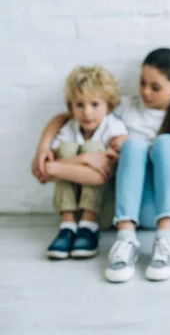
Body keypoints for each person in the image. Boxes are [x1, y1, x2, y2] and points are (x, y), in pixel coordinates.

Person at [32, 48, 170, 283]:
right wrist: (43, 148)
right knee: (132, 146)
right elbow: (67, 117)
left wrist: (148, 148)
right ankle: (126, 238)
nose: (145, 92)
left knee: (162, 144)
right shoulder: (126, 107)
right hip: (139, 206)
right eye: (142, 83)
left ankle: (166, 239)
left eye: (155, 88)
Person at [40, 66, 127, 260]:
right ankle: (68, 225)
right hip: (73, 209)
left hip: (103, 209)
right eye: (80, 105)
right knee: (67, 148)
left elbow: (99, 176)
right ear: (71, 107)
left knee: (93, 147)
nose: (87, 112)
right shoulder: (70, 128)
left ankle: (89, 225)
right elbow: (50, 167)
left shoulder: (114, 127)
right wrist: (82, 161)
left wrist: (58, 167)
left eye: (95, 104)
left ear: (109, 105)